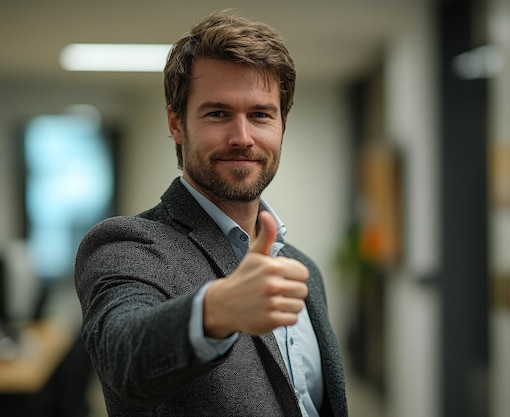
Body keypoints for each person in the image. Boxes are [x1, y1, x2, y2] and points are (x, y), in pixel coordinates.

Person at [74, 11, 348, 417]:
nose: (242, 137)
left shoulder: (299, 268)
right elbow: (122, 357)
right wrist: (216, 311)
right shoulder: (128, 246)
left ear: (282, 125)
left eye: (260, 114)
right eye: (218, 113)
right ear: (177, 124)